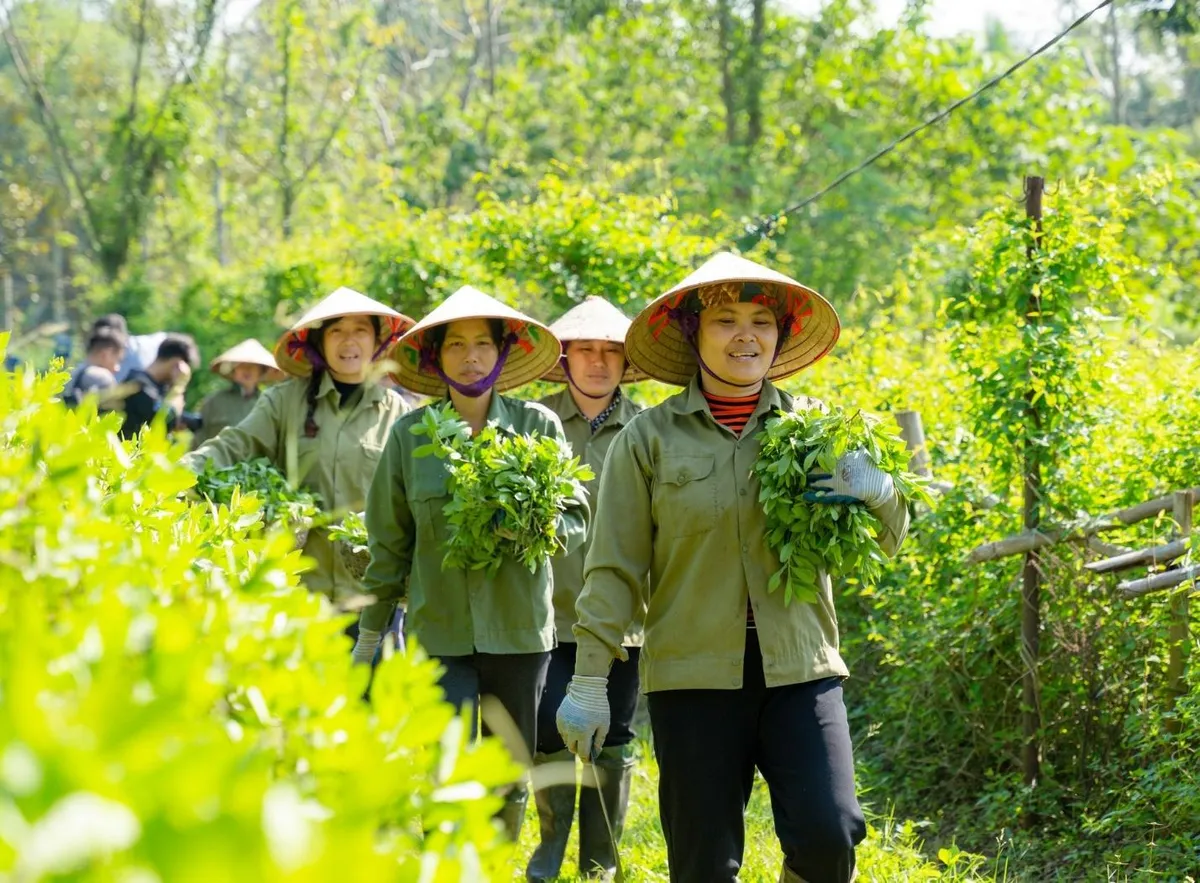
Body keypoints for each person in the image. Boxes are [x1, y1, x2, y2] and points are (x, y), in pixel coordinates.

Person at [555, 253, 911, 883]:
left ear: (780, 335)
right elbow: (614, 567)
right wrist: (588, 681)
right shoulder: (650, 439)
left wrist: (880, 492)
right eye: (725, 320)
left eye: (760, 321)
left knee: (831, 835)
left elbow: (887, 541)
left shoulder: (815, 431)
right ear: (694, 334)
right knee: (703, 862)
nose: (746, 334)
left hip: (799, 666)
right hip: (692, 678)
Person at [352, 284, 590, 842]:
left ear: (501, 353)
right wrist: (370, 633)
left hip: (520, 634)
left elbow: (577, 518)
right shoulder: (410, 436)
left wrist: (532, 524)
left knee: (508, 771)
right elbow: (391, 541)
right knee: (446, 765)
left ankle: (495, 860)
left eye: (483, 343)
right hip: (440, 633)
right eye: (455, 345)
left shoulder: (538, 428)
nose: (471, 356)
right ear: (437, 358)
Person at [183, 287, 414, 604]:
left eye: (360, 330)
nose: (349, 341)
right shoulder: (284, 401)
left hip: (371, 595)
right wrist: (177, 474)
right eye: (337, 332)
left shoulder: (396, 413)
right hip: (297, 591)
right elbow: (234, 445)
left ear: (377, 340)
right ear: (319, 341)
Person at [527, 297, 646, 882]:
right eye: (587, 351)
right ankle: (550, 846)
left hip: (626, 617)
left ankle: (601, 861)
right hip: (547, 613)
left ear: (626, 363)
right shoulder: (533, 426)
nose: (599, 363)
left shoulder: (647, 429)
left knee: (611, 733)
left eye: (611, 352)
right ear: (566, 357)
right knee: (549, 724)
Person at [191, 339, 282, 448]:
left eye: (253, 366)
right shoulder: (214, 401)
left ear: (262, 371)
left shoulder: (270, 403)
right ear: (233, 370)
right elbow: (199, 438)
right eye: (242, 365)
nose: (247, 370)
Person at [119, 333, 202, 439]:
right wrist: (180, 385)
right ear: (178, 364)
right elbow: (164, 418)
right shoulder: (138, 385)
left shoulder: (159, 389)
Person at [62, 327, 126, 409]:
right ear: (105, 354)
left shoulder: (71, 374)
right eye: (117, 360)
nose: (118, 368)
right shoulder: (103, 377)